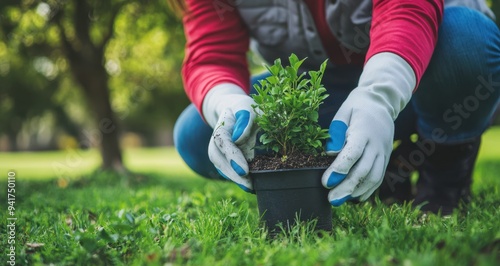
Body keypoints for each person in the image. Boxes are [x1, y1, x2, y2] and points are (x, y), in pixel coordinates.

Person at [172, 0, 500, 215]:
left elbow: (405, 9)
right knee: (197, 133)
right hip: (326, 89)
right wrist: (228, 103)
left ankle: (444, 176)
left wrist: (379, 95)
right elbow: (212, 55)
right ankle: (378, 171)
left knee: (465, 42)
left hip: (424, 66)